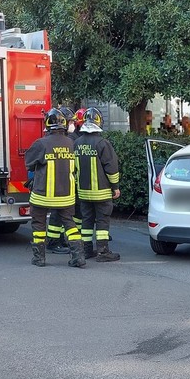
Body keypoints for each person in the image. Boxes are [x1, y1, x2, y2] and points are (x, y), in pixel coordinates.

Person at [24, 108, 86, 268]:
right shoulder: (71, 143)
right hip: (66, 195)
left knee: (38, 225)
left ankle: (39, 259)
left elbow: (29, 164)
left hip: (42, 195)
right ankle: (78, 257)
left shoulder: (41, 143)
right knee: (69, 224)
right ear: (64, 125)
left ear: (47, 125)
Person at [74, 107, 121, 262]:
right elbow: (111, 168)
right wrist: (115, 187)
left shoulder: (77, 143)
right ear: (99, 122)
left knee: (86, 221)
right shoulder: (102, 143)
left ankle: (86, 250)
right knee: (102, 221)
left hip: (83, 193)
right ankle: (103, 252)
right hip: (101, 193)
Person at [45, 106, 76, 254]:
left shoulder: (63, 139)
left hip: (60, 184)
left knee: (60, 215)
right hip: (59, 185)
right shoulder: (65, 141)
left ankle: (58, 240)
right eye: (69, 121)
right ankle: (54, 241)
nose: (72, 124)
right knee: (58, 215)